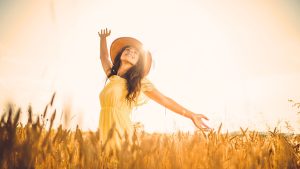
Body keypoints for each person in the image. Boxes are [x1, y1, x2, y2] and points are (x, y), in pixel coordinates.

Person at [98, 28, 210, 155]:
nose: (131, 52)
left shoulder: (139, 82)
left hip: (122, 132)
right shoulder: (112, 78)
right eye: (127, 50)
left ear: (137, 63)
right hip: (104, 132)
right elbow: (103, 57)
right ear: (121, 55)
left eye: (135, 53)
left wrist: (191, 115)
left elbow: (164, 100)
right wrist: (103, 38)